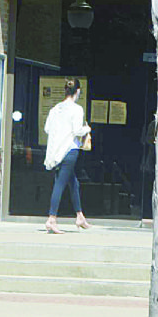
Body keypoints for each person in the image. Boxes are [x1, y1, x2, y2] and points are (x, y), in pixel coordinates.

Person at [43, 78, 92, 234]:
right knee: (60, 183)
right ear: (77, 91)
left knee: (73, 183)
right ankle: (51, 219)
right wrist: (87, 128)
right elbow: (78, 131)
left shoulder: (55, 109)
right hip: (70, 150)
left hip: (56, 151)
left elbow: (46, 129)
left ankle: (79, 215)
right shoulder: (77, 109)